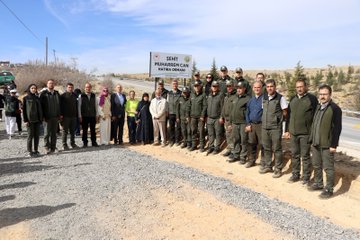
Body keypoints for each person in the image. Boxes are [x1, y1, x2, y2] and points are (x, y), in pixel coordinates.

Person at [309, 84, 342, 199]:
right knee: (316, 164)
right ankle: (318, 183)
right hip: (316, 142)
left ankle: (329, 189)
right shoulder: (318, 107)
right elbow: (314, 124)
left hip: (327, 144)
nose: (322, 96)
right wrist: (311, 139)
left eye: (325, 94)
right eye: (321, 94)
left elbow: (337, 128)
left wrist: (334, 145)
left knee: (328, 167)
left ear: (330, 95)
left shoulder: (335, 109)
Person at [284, 78, 318, 184]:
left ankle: (306, 177)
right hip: (293, 133)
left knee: (305, 155)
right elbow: (289, 116)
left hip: (305, 133)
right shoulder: (293, 99)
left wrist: (313, 132)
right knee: (295, 154)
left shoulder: (312, 99)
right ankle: (295, 175)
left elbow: (316, 116)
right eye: (297, 87)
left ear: (305, 87)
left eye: (301, 86)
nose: (299, 89)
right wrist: (287, 130)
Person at [260, 79, 288, 178]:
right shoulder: (264, 97)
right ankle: (268, 166)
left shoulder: (280, 98)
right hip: (265, 127)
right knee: (266, 147)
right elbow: (263, 110)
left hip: (275, 128)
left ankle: (278, 169)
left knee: (277, 149)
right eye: (267, 87)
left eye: (271, 86)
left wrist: (278, 120)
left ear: (275, 87)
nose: (269, 88)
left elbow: (285, 111)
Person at [228, 82, 251, 163]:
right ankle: (236, 155)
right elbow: (231, 111)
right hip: (234, 123)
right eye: (237, 88)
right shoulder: (235, 98)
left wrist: (248, 124)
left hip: (243, 123)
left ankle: (243, 157)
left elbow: (249, 112)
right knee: (236, 139)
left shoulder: (248, 98)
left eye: (240, 88)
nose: (238, 89)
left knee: (243, 140)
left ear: (244, 88)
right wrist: (230, 123)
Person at [245, 81, 265, 168]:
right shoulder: (250, 100)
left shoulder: (264, 99)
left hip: (261, 125)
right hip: (252, 125)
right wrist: (248, 124)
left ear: (261, 88)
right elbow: (247, 112)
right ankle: (251, 160)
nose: (257, 89)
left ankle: (263, 162)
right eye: (255, 87)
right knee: (251, 143)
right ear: (253, 88)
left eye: (258, 87)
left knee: (262, 144)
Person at [40, 79, 61, 154]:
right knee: (46, 133)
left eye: (52, 83)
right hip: (47, 117)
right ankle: (46, 147)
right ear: (47, 84)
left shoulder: (57, 93)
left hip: (55, 117)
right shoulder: (43, 94)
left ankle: (53, 147)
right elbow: (41, 106)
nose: (51, 84)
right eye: (49, 83)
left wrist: (59, 114)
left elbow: (60, 105)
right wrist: (43, 116)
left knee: (54, 133)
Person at [23, 84, 43, 157]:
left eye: (35, 88)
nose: (34, 89)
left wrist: (41, 118)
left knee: (37, 136)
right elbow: (24, 110)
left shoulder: (37, 98)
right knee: (30, 136)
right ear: (29, 89)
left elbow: (40, 109)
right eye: (32, 88)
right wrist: (25, 120)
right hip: (30, 120)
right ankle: (29, 151)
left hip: (37, 120)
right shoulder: (26, 98)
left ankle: (36, 150)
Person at [78, 82, 99, 148]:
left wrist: (97, 115)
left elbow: (96, 106)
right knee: (85, 130)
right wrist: (80, 116)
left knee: (93, 130)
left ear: (91, 88)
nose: (88, 88)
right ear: (85, 88)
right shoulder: (81, 96)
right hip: (84, 116)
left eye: (89, 87)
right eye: (86, 87)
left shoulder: (94, 95)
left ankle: (94, 142)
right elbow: (79, 106)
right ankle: (85, 143)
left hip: (92, 115)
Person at [206, 81, 224, 155]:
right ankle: (211, 147)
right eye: (213, 86)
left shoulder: (220, 95)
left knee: (218, 133)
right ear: (211, 87)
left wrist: (221, 117)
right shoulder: (209, 95)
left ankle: (217, 147)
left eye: (216, 86)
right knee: (210, 133)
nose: (214, 87)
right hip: (210, 118)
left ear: (218, 87)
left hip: (217, 118)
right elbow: (207, 106)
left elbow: (223, 107)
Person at [220, 80, 237, 157]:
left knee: (233, 136)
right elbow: (224, 107)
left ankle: (234, 151)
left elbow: (234, 110)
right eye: (227, 86)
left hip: (232, 120)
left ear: (233, 86)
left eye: (230, 86)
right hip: (226, 119)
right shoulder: (226, 96)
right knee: (228, 135)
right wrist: (221, 116)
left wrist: (231, 121)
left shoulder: (235, 96)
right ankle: (229, 149)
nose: (229, 87)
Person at [60, 83, 79, 150]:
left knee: (72, 131)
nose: (70, 88)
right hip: (66, 117)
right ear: (66, 88)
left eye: (71, 87)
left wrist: (77, 115)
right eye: (69, 87)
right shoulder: (63, 96)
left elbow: (77, 106)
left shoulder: (75, 95)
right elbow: (60, 107)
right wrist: (61, 117)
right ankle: (64, 144)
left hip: (73, 116)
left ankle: (73, 143)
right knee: (65, 131)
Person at [189, 80, 207, 152]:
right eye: (195, 86)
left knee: (201, 131)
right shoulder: (192, 95)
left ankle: (202, 146)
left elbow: (205, 106)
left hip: (200, 117)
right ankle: (194, 145)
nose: (196, 87)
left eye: (197, 86)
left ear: (200, 86)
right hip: (193, 117)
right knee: (193, 131)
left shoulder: (203, 95)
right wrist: (189, 115)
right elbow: (189, 105)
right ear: (194, 87)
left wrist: (203, 116)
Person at [167, 79, 182, 146]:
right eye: (173, 84)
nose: (174, 85)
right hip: (171, 113)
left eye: (176, 84)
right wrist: (167, 111)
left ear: (177, 85)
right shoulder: (169, 93)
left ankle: (177, 140)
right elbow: (167, 103)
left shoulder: (180, 93)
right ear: (171, 85)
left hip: (178, 113)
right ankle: (171, 140)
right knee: (171, 127)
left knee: (178, 127)